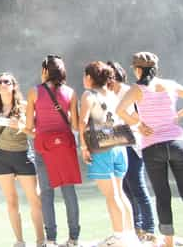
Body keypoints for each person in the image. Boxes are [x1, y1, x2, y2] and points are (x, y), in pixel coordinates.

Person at [117, 52, 183, 247]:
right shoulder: (170, 85)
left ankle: (169, 243)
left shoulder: (137, 89)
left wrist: (138, 125)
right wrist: (178, 115)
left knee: (162, 195)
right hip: (177, 142)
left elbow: (120, 110)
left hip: (152, 146)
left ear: (138, 69)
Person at [25, 54, 81, 247]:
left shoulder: (34, 92)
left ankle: (51, 240)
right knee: (68, 190)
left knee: (47, 193)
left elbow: (29, 127)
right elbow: (74, 125)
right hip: (65, 146)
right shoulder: (71, 92)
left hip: (44, 147)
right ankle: (73, 238)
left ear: (45, 71)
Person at [79, 61, 137, 247]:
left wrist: (83, 147)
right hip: (120, 147)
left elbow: (82, 123)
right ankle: (130, 235)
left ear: (89, 77)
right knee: (120, 193)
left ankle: (119, 238)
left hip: (102, 149)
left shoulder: (89, 95)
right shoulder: (112, 94)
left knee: (111, 196)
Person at [0, 72, 45, 247]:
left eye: (7, 82)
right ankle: (19, 241)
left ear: (13, 86)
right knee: (11, 201)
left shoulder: (25, 106)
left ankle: (41, 241)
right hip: (0, 157)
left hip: (23, 155)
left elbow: (35, 134)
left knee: (35, 199)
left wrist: (20, 126)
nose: (2, 84)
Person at [108, 60, 157, 243]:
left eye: (109, 74)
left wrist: (132, 124)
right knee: (126, 189)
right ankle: (136, 228)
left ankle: (150, 229)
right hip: (117, 143)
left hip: (132, 143)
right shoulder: (109, 93)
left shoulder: (127, 91)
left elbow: (137, 115)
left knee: (138, 187)